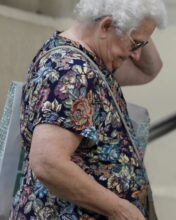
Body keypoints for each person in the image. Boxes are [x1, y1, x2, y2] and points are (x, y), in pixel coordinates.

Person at [10, 0, 167, 219]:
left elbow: (151, 69)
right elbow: (48, 162)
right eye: (134, 44)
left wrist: (136, 20)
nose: (135, 55)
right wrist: (119, 209)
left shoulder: (92, 60)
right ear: (105, 26)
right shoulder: (72, 71)